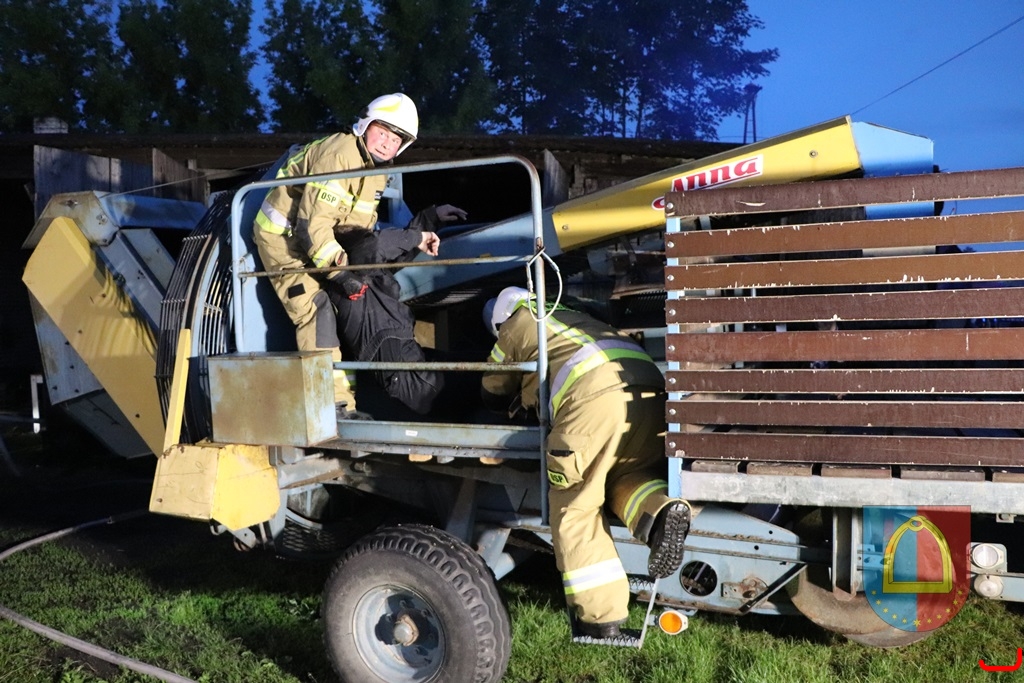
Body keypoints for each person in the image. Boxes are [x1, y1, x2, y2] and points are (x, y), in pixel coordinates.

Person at [480, 287, 692, 640]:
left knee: (576, 507)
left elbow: (493, 387)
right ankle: (660, 515)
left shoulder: (515, 323)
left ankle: (601, 617)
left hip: (593, 404)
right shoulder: (575, 318)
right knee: (627, 472)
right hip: (650, 396)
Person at [252, 92, 465, 418]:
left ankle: (346, 401)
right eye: (383, 132)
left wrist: (426, 221)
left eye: (396, 140)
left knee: (345, 307)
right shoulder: (340, 155)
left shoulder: (376, 171)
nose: (387, 143)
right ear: (365, 125)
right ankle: (331, 406)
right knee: (316, 310)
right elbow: (313, 225)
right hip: (284, 242)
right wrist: (340, 274)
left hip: (315, 243)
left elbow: (361, 238)